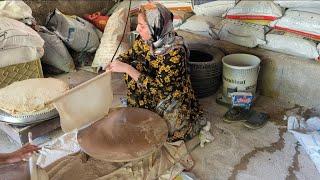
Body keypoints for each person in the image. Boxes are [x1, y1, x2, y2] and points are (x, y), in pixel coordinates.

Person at [107, 3, 206, 142]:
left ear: (157, 27)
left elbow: (161, 89)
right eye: (138, 24)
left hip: (168, 96)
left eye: (142, 26)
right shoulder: (146, 40)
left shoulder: (175, 52)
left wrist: (127, 69)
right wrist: (116, 62)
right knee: (133, 66)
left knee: (167, 131)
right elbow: (131, 55)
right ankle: (143, 110)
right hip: (150, 89)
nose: (137, 29)